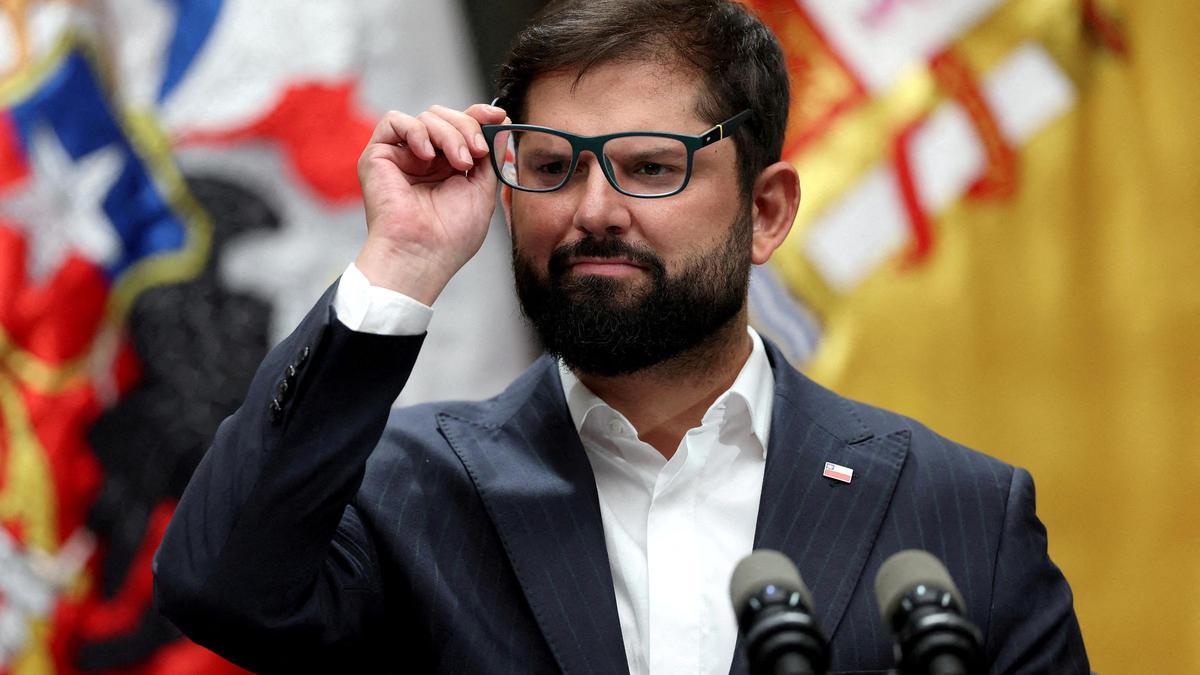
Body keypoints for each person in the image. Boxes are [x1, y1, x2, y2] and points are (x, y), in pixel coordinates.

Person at [153, 1, 1090, 673]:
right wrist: (400, 258)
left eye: (651, 165)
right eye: (553, 166)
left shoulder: (959, 513)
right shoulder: (410, 492)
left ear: (765, 213)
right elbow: (219, 586)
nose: (594, 211)